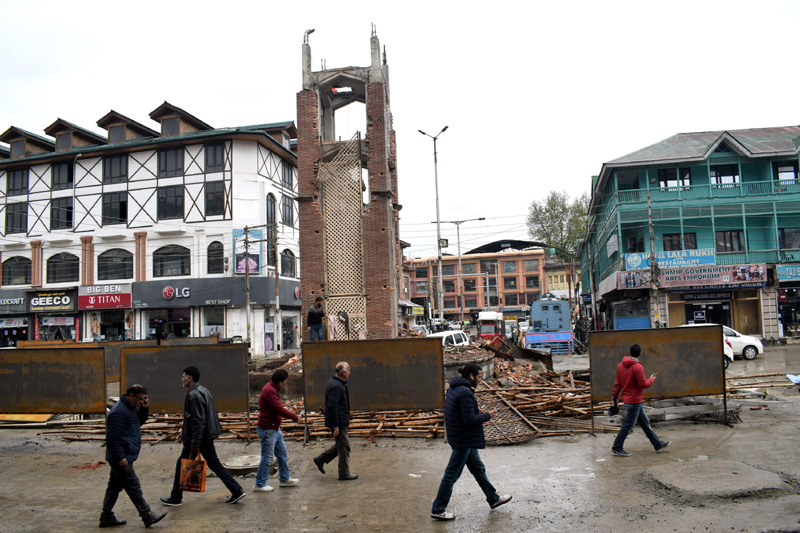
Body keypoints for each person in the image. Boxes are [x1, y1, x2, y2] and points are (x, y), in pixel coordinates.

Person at [431, 364, 512, 521]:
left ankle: (493, 499)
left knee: (478, 469)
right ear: (471, 376)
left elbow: (460, 414)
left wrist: (478, 413)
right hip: (463, 440)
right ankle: (438, 509)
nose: (480, 380)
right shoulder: (466, 393)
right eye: (479, 377)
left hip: (461, 438)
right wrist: (488, 415)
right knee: (451, 475)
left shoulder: (454, 388)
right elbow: (469, 420)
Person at [161, 366, 246, 506]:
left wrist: (194, 443)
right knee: (214, 464)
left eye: (183, 376)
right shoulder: (203, 390)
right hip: (204, 437)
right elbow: (193, 419)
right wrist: (184, 432)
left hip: (198, 439)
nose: (181, 379)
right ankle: (236, 490)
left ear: (190, 378)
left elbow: (198, 421)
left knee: (181, 464)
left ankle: (176, 497)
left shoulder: (194, 395)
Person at [99, 384, 167, 528]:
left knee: (114, 487)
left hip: (125, 454)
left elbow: (138, 422)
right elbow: (111, 438)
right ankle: (146, 515)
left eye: (144, 399)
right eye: (140, 399)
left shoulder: (130, 408)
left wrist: (144, 408)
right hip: (121, 457)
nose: (140, 402)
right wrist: (120, 456)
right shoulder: (118, 412)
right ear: (130, 396)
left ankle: (106, 516)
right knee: (133, 486)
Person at [611, 344, 670, 457]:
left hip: (629, 400)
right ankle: (617, 447)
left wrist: (614, 397)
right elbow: (643, 385)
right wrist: (652, 379)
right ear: (640, 354)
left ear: (629, 352)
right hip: (634, 401)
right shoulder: (638, 367)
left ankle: (657, 444)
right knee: (628, 426)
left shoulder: (620, 366)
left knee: (644, 423)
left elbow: (617, 384)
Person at [254, 368, 300, 492]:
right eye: (284, 381)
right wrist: (294, 417)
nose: (284, 383)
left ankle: (284, 479)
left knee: (282, 453)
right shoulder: (270, 391)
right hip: (268, 430)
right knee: (267, 457)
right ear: (280, 382)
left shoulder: (272, 389)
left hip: (274, 429)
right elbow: (279, 409)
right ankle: (259, 484)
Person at [313, 361, 357, 480]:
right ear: (343, 372)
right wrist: (335, 426)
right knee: (344, 447)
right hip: (338, 421)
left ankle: (321, 459)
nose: (349, 372)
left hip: (341, 418)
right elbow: (332, 407)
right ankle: (343, 473)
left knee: (341, 444)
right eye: (348, 370)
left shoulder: (338, 383)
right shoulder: (336, 386)